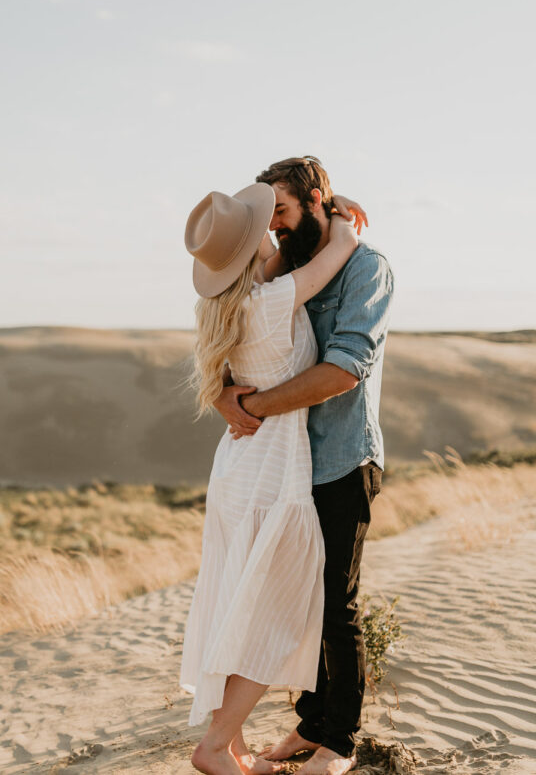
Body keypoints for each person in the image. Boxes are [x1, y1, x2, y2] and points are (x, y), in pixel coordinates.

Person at [215, 157, 394, 775]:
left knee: (335, 605)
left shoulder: (367, 270)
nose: (278, 230)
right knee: (297, 604)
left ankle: (339, 742)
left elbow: (344, 369)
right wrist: (223, 394)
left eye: (283, 214)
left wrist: (252, 406)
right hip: (282, 468)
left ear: (316, 199)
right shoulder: (289, 267)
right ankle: (311, 724)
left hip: (342, 461)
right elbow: (232, 341)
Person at [180, 179, 366, 775]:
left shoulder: (222, 306)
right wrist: (340, 214)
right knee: (276, 614)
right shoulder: (275, 298)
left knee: (237, 605)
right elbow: (338, 249)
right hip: (274, 476)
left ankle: (228, 742)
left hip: (237, 470)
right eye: (265, 227)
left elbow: (279, 257)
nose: (273, 231)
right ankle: (215, 748)